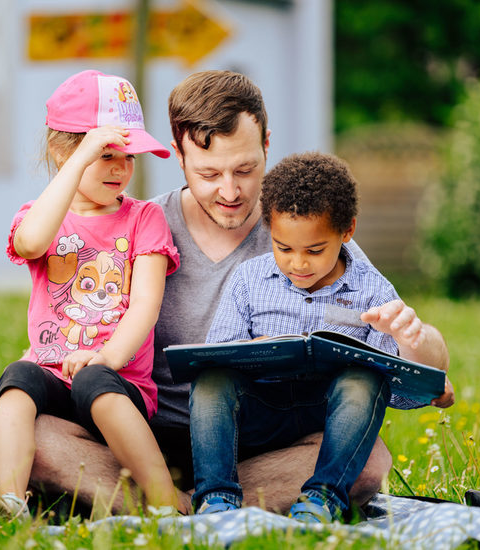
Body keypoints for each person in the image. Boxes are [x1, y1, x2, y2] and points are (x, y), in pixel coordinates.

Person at [0, 70, 451, 515]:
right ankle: (183, 503)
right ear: (178, 156)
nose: (230, 191)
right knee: (27, 434)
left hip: (256, 440)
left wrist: (418, 341)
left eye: (245, 169)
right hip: (132, 431)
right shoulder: (140, 224)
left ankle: (197, 504)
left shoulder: (306, 235)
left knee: (368, 463)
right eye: (209, 174)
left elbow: (415, 348)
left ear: (267, 146)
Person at [189, 151, 455, 523]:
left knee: (365, 378)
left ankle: (322, 499)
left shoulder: (372, 290)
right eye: (284, 248)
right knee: (212, 380)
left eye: (315, 251)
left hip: (327, 419)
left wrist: (424, 382)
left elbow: (392, 389)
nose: (299, 263)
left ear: (347, 232)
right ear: (269, 229)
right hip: (260, 411)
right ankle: (216, 499)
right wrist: (252, 351)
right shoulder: (249, 280)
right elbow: (217, 357)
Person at [0, 70, 182, 519]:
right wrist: (79, 158)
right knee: (16, 379)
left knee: (92, 381)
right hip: (51, 373)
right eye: (105, 154)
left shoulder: (143, 218)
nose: (120, 167)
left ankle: (167, 503)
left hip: (116, 380)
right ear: (62, 153)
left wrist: (107, 357)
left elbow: (146, 304)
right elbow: (29, 243)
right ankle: (10, 498)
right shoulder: (40, 217)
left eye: (128, 155)